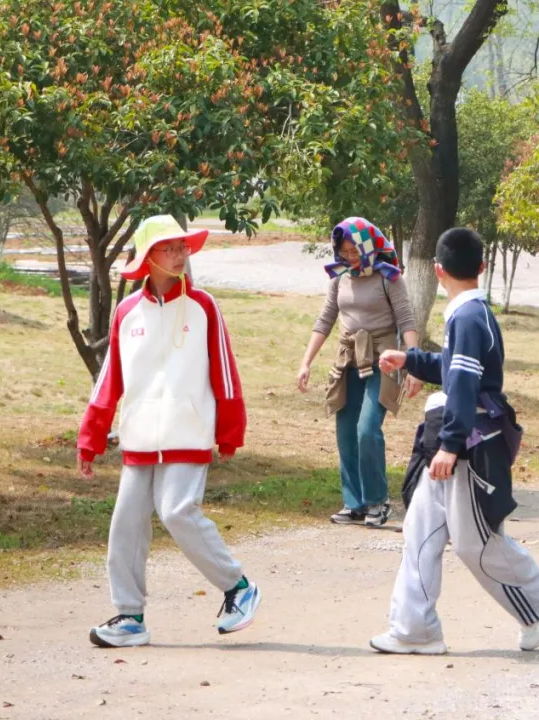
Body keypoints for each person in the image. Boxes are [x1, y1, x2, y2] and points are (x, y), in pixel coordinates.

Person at [369, 227, 539, 655]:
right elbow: (456, 370)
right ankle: (413, 628)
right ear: (482, 266)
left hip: (468, 442)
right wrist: (412, 360)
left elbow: (465, 384)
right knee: (420, 531)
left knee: (475, 543)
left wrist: (451, 445)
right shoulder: (469, 314)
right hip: (456, 433)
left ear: (437, 271)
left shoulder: (468, 317)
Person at [77, 214, 260, 648]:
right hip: (139, 439)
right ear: (147, 258)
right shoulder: (126, 312)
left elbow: (225, 372)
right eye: (169, 248)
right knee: (125, 525)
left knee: (177, 510)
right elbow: (110, 379)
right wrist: (91, 437)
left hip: (189, 432)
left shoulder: (204, 307)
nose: (180, 255)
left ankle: (239, 588)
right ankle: (129, 617)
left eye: (183, 247)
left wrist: (230, 431)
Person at [297, 217, 420, 527]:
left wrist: (413, 363)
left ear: (368, 246)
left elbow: (406, 320)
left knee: (367, 430)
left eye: (354, 251)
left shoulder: (388, 278)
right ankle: (355, 504)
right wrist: (306, 362)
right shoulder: (340, 278)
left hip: (383, 360)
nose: (350, 257)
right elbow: (325, 320)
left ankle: (378, 502)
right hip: (348, 361)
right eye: (344, 252)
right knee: (346, 432)